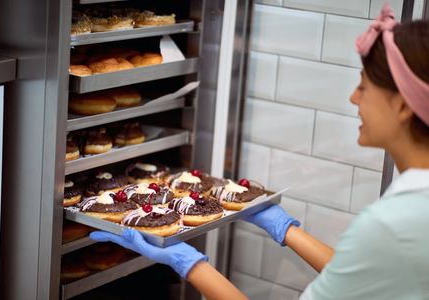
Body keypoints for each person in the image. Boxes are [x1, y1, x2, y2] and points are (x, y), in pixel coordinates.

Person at [90, 4, 429, 300]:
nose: (354, 99)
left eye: (364, 87)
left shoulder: (389, 224)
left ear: (401, 106)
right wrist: (286, 229)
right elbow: (364, 276)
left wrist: (190, 265)